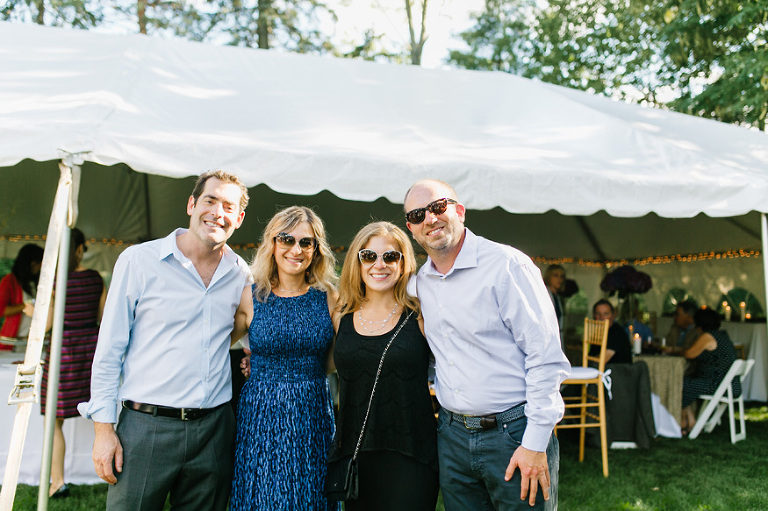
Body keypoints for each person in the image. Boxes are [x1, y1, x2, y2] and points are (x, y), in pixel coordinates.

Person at [78, 170, 251, 510]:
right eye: (210, 200)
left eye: (228, 207)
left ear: (239, 218)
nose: (218, 212)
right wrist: (103, 430)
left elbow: (244, 328)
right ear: (191, 204)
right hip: (146, 427)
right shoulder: (139, 261)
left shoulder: (240, 273)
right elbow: (109, 350)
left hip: (214, 430)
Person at [403, 179, 570, 510]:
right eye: (418, 214)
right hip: (451, 436)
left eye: (439, 207)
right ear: (412, 229)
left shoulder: (507, 265)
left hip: (514, 431)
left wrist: (535, 442)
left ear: (460, 211)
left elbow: (546, 357)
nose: (430, 218)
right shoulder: (420, 284)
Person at [230, 206, 339, 511]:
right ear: (272, 244)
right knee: (262, 495)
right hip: (261, 414)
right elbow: (214, 345)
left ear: (316, 249)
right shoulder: (251, 296)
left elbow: (338, 358)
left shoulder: (329, 297)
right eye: (287, 239)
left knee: (311, 494)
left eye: (306, 242)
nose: (296, 249)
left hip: (312, 412)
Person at [328, 221, 438, 510]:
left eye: (390, 256)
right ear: (357, 262)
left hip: (412, 454)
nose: (379, 265)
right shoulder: (340, 314)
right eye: (369, 256)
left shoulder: (421, 314)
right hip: (356, 454)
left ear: (403, 264)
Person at [41, 228, 106, 498]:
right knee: (102, 416)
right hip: (90, 350)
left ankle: (57, 482)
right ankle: (110, 472)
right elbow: (104, 317)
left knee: (53, 420)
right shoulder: (95, 279)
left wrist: (33, 312)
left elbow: (47, 324)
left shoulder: (54, 280)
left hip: (63, 352)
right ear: (80, 249)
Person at [675, 308, 740, 435]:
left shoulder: (708, 336)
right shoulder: (722, 335)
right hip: (730, 385)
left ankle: (684, 422)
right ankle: (690, 421)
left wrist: (677, 350)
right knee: (685, 383)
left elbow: (689, 354)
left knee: (679, 384)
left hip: (717, 385)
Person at [0, 243, 44, 348]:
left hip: (34, 341)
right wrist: (24, 306)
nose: (40, 267)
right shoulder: (9, 281)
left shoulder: (38, 282)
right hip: (14, 341)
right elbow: (2, 310)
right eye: (39, 263)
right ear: (32, 263)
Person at [592, 299, 632, 364]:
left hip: (618, 369)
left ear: (613, 316)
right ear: (594, 316)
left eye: (606, 314)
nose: (601, 318)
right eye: (598, 314)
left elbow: (601, 360)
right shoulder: (598, 334)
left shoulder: (617, 333)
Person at [543, 264, 566, 351]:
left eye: (561, 276)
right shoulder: (544, 295)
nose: (559, 279)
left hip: (557, 336)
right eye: (555, 275)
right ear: (548, 277)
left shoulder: (557, 297)